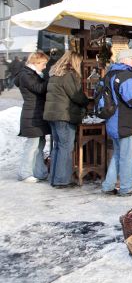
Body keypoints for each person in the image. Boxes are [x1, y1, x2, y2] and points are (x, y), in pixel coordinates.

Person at [100, 48, 132, 196]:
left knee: (118, 155)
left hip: (113, 121)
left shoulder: (109, 74)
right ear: (125, 60)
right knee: (128, 156)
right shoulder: (126, 76)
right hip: (126, 122)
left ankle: (108, 186)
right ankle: (127, 188)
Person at [43, 51, 91, 188]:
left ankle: (55, 178)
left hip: (52, 115)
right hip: (64, 116)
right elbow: (76, 96)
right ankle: (62, 180)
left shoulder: (55, 74)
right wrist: (86, 101)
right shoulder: (68, 75)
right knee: (65, 147)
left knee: (57, 147)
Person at [15, 51, 50, 182]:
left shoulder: (33, 74)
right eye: (43, 64)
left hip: (36, 114)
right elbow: (39, 88)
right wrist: (50, 78)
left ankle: (39, 172)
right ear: (36, 62)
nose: (45, 67)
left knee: (40, 145)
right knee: (32, 146)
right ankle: (24, 173)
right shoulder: (26, 75)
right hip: (31, 115)